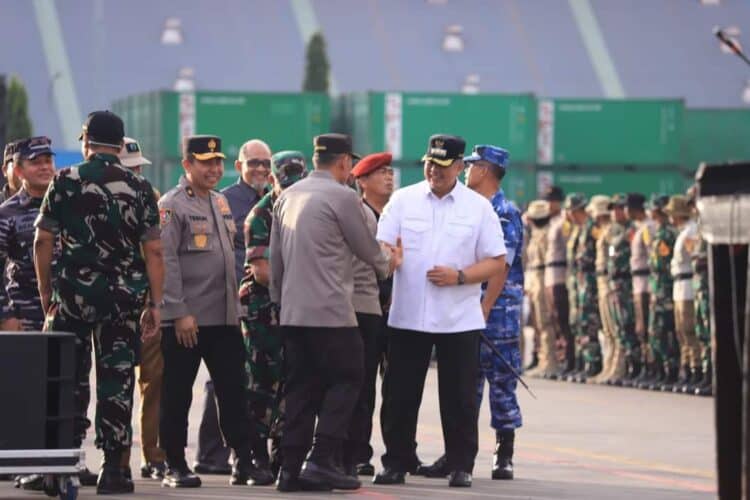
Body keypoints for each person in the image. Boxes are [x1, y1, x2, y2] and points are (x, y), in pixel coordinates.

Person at [34, 110, 164, 494]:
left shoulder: (65, 180)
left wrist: (47, 292)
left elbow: (42, 241)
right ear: (121, 144)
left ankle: (63, 462)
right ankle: (114, 470)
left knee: (67, 379)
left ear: (86, 141)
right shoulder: (139, 187)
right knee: (117, 381)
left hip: (72, 296)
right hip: (122, 301)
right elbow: (154, 250)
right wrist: (155, 304)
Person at [373, 135, 506, 489]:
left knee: (459, 397)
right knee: (399, 394)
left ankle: (461, 464)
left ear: (460, 167)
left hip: (458, 318)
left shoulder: (478, 208)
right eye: (430, 163)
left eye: (444, 166)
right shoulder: (403, 200)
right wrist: (390, 259)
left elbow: (496, 260)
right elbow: (381, 246)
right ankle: (395, 462)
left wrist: (460, 277)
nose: (434, 171)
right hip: (408, 314)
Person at [269, 133, 399, 491]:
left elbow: (275, 262)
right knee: (348, 379)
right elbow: (369, 251)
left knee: (300, 390)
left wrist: (282, 305)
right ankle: (323, 458)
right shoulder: (343, 197)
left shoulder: (287, 196)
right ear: (344, 163)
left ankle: (289, 469)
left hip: (294, 314)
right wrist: (390, 262)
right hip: (331, 314)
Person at [158, 135, 274, 488]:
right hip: (188, 320)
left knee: (234, 391)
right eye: (204, 162)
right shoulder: (172, 205)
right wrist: (178, 312)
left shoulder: (221, 203)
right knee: (177, 394)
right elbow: (167, 262)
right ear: (187, 165)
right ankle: (175, 464)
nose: (213, 169)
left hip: (225, 316)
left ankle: (242, 460)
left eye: (216, 162)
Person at [193, 139, 273, 474]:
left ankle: (247, 455)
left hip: (263, 307)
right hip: (228, 302)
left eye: (265, 164)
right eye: (253, 163)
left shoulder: (275, 201)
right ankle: (211, 455)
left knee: (259, 382)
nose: (260, 170)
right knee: (224, 380)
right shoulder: (224, 201)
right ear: (238, 167)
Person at [239, 151, 308, 477]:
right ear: (272, 181)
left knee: (292, 384)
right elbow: (263, 272)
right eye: (286, 183)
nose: (293, 189)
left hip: (295, 310)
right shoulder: (261, 215)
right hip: (263, 312)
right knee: (261, 385)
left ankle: (283, 453)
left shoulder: (305, 210)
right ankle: (252, 457)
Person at [115, 137, 167, 481]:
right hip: (113, 305)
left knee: (154, 382)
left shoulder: (151, 197)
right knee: (116, 385)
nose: (135, 174)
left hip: (144, 304)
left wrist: (156, 302)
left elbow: (158, 254)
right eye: (129, 168)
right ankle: (117, 461)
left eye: (137, 168)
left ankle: (154, 455)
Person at [345, 152, 395, 477]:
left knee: (396, 388)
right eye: (381, 173)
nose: (389, 177)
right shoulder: (356, 214)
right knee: (361, 386)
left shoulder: (398, 213)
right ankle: (357, 452)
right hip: (364, 311)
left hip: (395, 314)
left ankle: (399, 453)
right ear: (362, 181)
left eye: (390, 172)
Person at [666, 195, 702, 393]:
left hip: (688, 284)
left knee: (689, 330)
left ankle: (697, 371)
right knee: (681, 331)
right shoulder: (682, 232)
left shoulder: (691, 231)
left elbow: (693, 256)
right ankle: (687, 370)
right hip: (678, 285)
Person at [643, 194, 678, 391]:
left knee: (666, 331)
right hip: (657, 288)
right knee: (655, 331)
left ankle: (671, 371)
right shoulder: (658, 233)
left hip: (666, 288)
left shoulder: (668, 234)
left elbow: (665, 264)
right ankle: (660, 371)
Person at [604, 194, 640, 386]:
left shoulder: (633, 230)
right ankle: (627, 367)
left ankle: (635, 366)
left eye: (619, 207)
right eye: (613, 208)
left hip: (627, 283)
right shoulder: (616, 231)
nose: (616, 212)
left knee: (629, 325)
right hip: (616, 283)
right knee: (620, 327)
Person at [543, 186, 574, 378]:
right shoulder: (551, 222)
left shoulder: (564, 222)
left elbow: (569, 249)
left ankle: (569, 359)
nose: (548, 205)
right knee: (554, 319)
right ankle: (561, 359)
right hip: (549, 273)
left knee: (563, 319)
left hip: (560, 275)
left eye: (551, 201)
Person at [525, 200, 556, 379]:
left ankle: (549, 361)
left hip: (543, 279)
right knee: (538, 323)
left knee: (545, 322)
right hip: (534, 280)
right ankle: (543, 359)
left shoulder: (546, 234)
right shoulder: (536, 234)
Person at [624, 193, 653, 388]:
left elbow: (653, 255)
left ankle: (651, 367)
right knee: (639, 328)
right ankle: (645, 366)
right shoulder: (638, 228)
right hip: (637, 282)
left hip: (645, 283)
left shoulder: (648, 228)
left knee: (646, 328)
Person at [588, 195, 615, 385]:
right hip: (601, 279)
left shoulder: (612, 230)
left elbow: (614, 256)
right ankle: (609, 365)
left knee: (613, 327)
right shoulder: (602, 230)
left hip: (609, 280)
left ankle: (615, 366)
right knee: (606, 328)